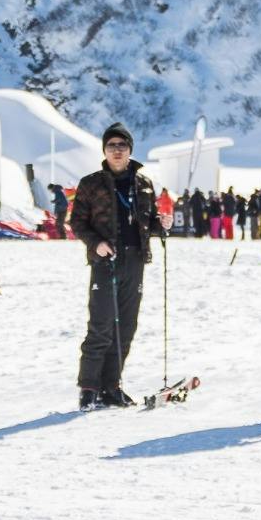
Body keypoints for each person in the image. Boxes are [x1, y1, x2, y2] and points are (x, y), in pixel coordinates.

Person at [68, 123, 157, 407]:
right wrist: (96, 243)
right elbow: (77, 223)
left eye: (122, 146)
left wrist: (160, 224)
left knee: (127, 325)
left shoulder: (143, 184)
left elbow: (147, 220)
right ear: (104, 151)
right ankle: (89, 387)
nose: (117, 151)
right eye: (111, 146)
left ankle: (112, 385)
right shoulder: (91, 183)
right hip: (105, 260)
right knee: (102, 324)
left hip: (135, 260)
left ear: (130, 150)